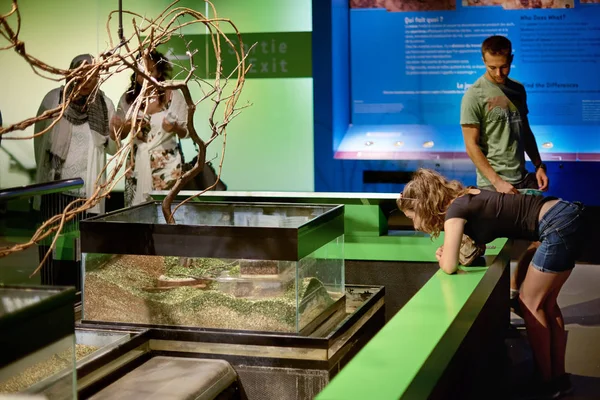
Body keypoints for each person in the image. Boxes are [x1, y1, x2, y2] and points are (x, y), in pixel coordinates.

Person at [398, 169, 582, 398]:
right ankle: (559, 379)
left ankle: (547, 383)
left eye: (412, 217)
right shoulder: (467, 197)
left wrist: (443, 256)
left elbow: (449, 266)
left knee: (530, 304)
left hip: (555, 224)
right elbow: (477, 244)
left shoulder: (455, 211)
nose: (415, 226)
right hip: (566, 214)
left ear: (424, 206)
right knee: (548, 304)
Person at [460, 35, 549, 308]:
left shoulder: (518, 90)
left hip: (522, 178)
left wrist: (539, 164)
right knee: (484, 251)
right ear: (484, 61)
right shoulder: (474, 94)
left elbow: (526, 130)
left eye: (503, 67)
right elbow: (471, 146)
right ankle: (485, 313)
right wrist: (496, 181)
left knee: (542, 238)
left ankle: (514, 293)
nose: (499, 73)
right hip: (491, 185)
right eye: (492, 68)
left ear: (510, 59)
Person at [33, 53, 117, 287]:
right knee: (51, 252)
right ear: (71, 73)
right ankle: (50, 301)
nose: (86, 78)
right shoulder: (54, 99)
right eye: (81, 72)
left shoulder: (104, 104)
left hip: (86, 194)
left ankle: (79, 305)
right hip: (55, 189)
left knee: (79, 254)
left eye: (92, 73)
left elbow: (111, 147)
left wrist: (120, 131)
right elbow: (40, 141)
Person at [112, 50, 188, 206]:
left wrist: (174, 128)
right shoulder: (129, 99)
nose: (145, 76)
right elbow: (119, 135)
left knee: (167, 208)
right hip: (137, 162)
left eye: (150, 71)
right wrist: (124, 126)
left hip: (167, 164)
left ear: (159, 71)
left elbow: (187, 132)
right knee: (136, 211)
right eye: (140, 72)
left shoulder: (173, 94)